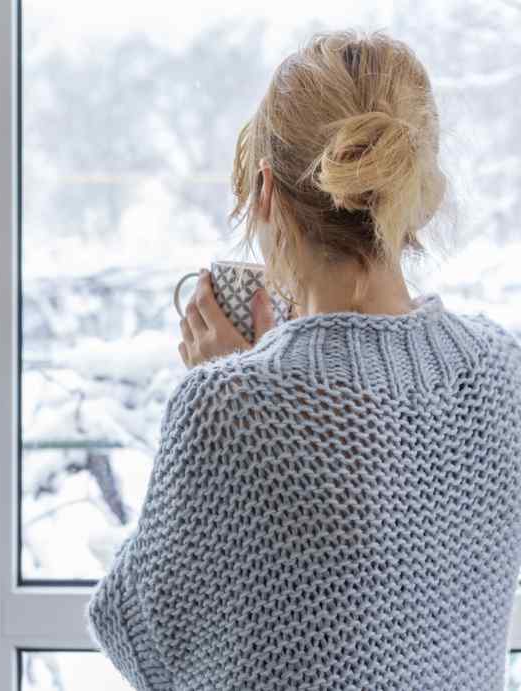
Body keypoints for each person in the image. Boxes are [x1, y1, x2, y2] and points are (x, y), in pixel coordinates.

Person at [86, 29, 521, 690]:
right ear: (417, 190)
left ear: (266, 193)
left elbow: (140, 636)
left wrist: (233, 376)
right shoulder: (503, 373)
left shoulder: (226, 406)